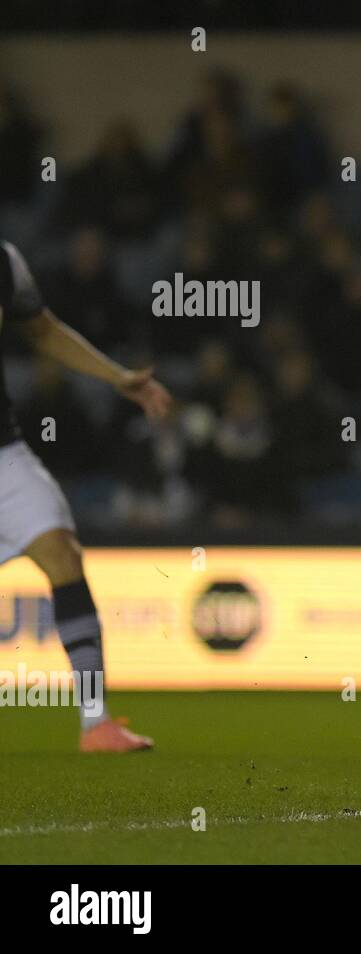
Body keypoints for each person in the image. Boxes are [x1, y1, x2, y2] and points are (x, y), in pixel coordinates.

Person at [0, 239, 172, 751]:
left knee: (61, 552)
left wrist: (117, 376)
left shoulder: (7, 261)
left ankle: (95, 722)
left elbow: (42, 329)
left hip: (4, 454)